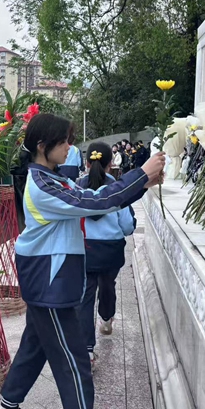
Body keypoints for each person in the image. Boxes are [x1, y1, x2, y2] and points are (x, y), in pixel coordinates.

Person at [0, 113, 165, 409]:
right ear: (42, 146)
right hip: (49, 284)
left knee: (33, 349)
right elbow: (93, 202)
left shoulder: (53, 178)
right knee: (74, 363)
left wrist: (143, 184)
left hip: (48, 281)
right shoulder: (44, 186)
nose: (69, 147)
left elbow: (97, 198)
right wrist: (141, 173)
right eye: (64, 142)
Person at [77, 142, 136, 366]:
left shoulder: (76, 189)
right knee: (108, 284)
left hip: (84, 249)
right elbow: (127, 226)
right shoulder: (119, 190)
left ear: (86, 163)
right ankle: (106, 318)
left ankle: (87, 351)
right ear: (111, 164)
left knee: (85, 297)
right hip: (111, 250)